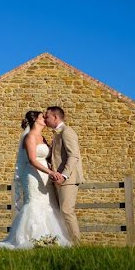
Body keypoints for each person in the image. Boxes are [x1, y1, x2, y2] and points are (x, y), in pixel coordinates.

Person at [0, 110, 70, 250]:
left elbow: (46, 157)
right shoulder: (30, 137)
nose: (45, 120)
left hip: (46, 176)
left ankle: (50, 238)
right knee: (35, 204)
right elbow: (32, 160)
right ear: (36, 120)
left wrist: (53, 148)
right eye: (43, 117)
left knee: (49, 204)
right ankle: (31, 237)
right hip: (34, 176)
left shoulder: (42, 138)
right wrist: (50, 172)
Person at [44, 105, 84, 245]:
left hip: (68, 179)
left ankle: (76, 245)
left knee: (67, 211)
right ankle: (65, 243)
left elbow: (74, 156)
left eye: (47, 116)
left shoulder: (67, 132)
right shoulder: (57, 134)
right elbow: (57, 157)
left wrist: (64, 175)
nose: (45, 118)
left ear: (55, 117)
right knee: (61, 212)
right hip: (58, 178)